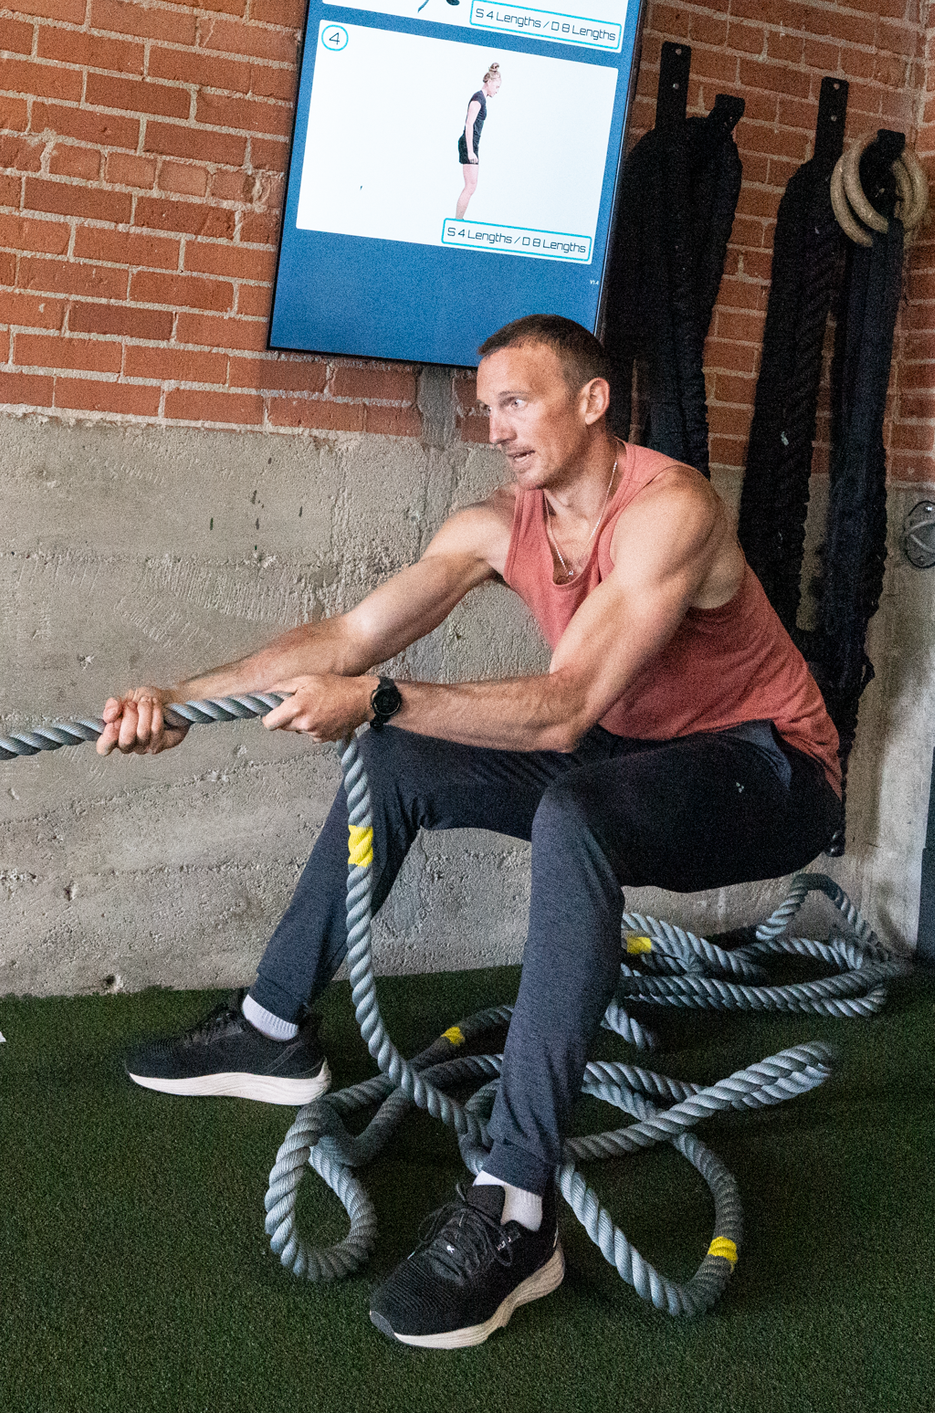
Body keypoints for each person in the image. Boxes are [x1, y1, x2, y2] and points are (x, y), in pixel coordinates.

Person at [96, 314, 842, 1350]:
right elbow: (349, 637)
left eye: (517, 400)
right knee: (404, 761)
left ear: (593, 401)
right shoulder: (498, 523)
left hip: (769, 767)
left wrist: (380, 697)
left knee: (566, 808)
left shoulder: (669, 509)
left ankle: (515, 1205)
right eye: (486, 405)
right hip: (630, 751)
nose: (495, 426)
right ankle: (272, 1027)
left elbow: (564, 705)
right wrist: (182, 695)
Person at [455, 62, 501, 220]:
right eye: (497, 87)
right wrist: (470, 151)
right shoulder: (478, 98)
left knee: (471, 186)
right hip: (469, 144)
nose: (497, 91)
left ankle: (459, 219)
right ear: (489, 82)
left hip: (472, 144)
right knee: (470, 186)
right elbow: (469, 124)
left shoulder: (482, 99)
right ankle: (457, 221)